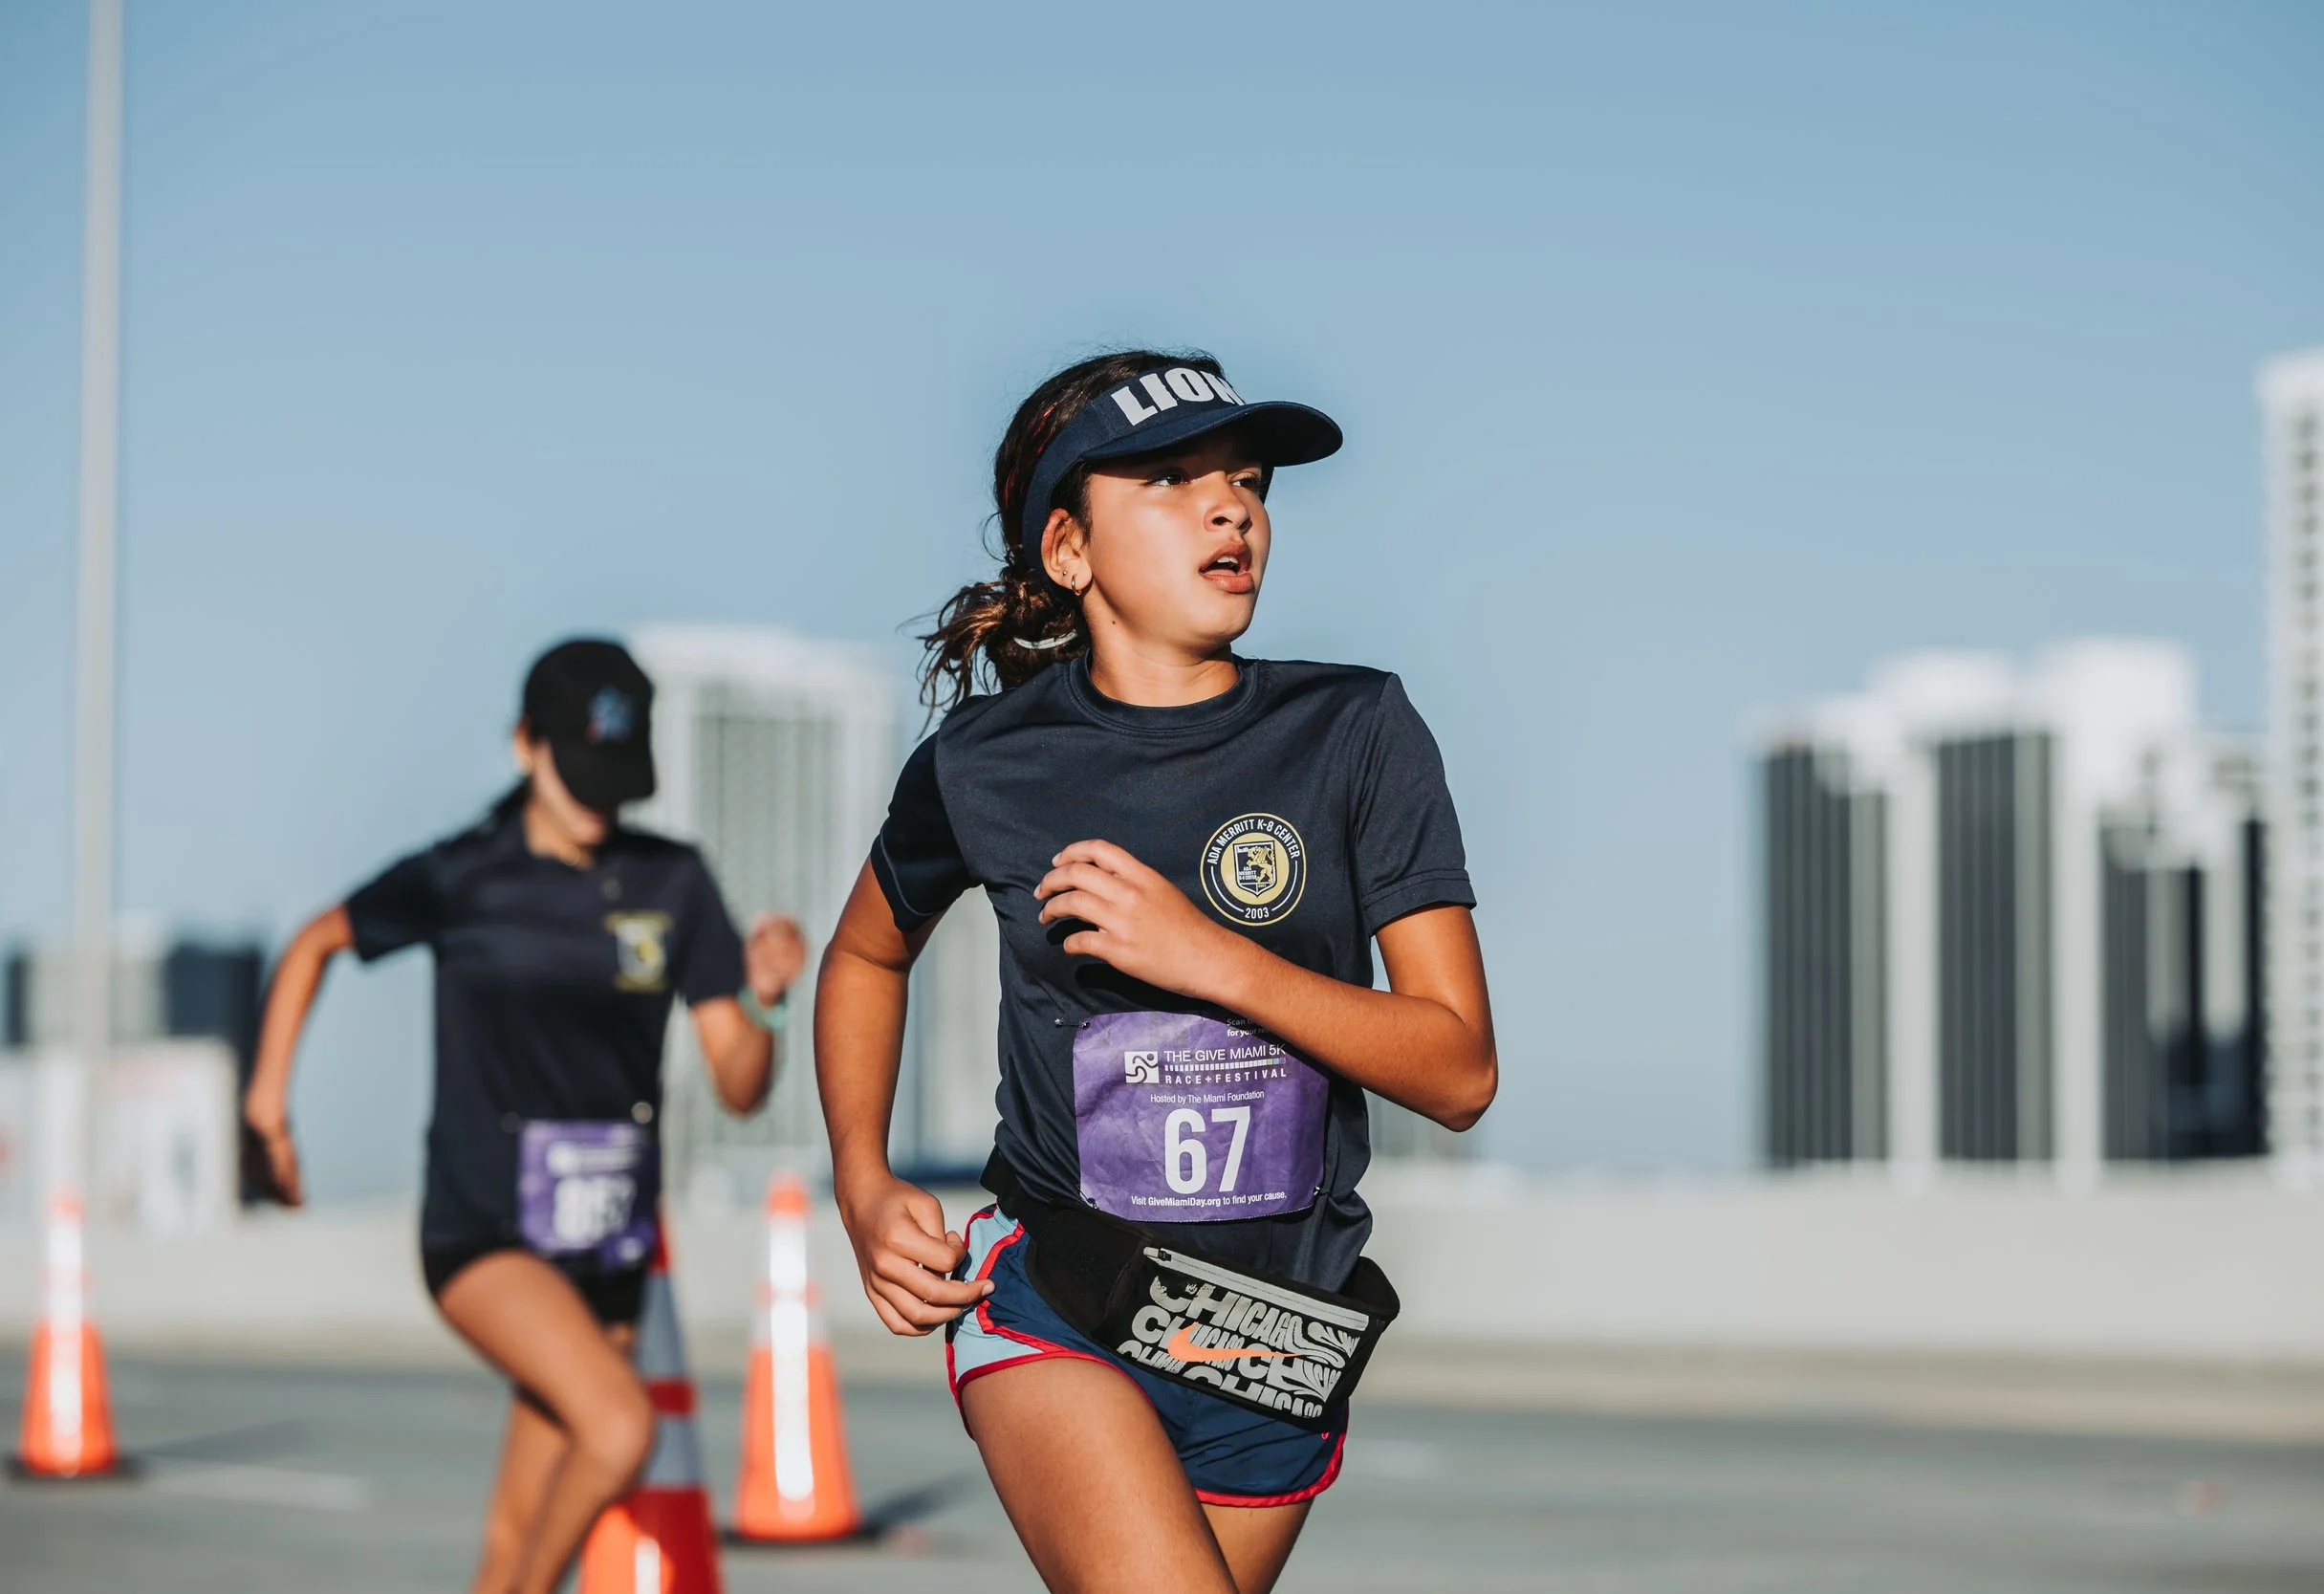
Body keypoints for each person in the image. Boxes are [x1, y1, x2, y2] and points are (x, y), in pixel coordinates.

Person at [815, 350, 1498, 1593]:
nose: (1230, 505)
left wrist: (1214, 957)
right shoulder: (984, 762)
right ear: (1068, 549)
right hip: (1061, 1296)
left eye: (1246, 480)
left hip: (1276, 1342)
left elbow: (1458, 1069)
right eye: (1173, 481)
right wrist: (862, 1181)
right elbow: (866, 952)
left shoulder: (1357, 730)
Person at [242, 638, 806, 1594]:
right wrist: (267, 1110)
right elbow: (314, 942)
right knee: (620, 1424)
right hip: (485, 1227)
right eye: (579, 770)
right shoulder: (464, 873)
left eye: (617, 778)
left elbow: (739, 1084)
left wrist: (764, 1001)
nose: (599, 798)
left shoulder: (673, 881)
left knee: (515, 1541)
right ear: (523, 745)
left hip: (608, 1248)